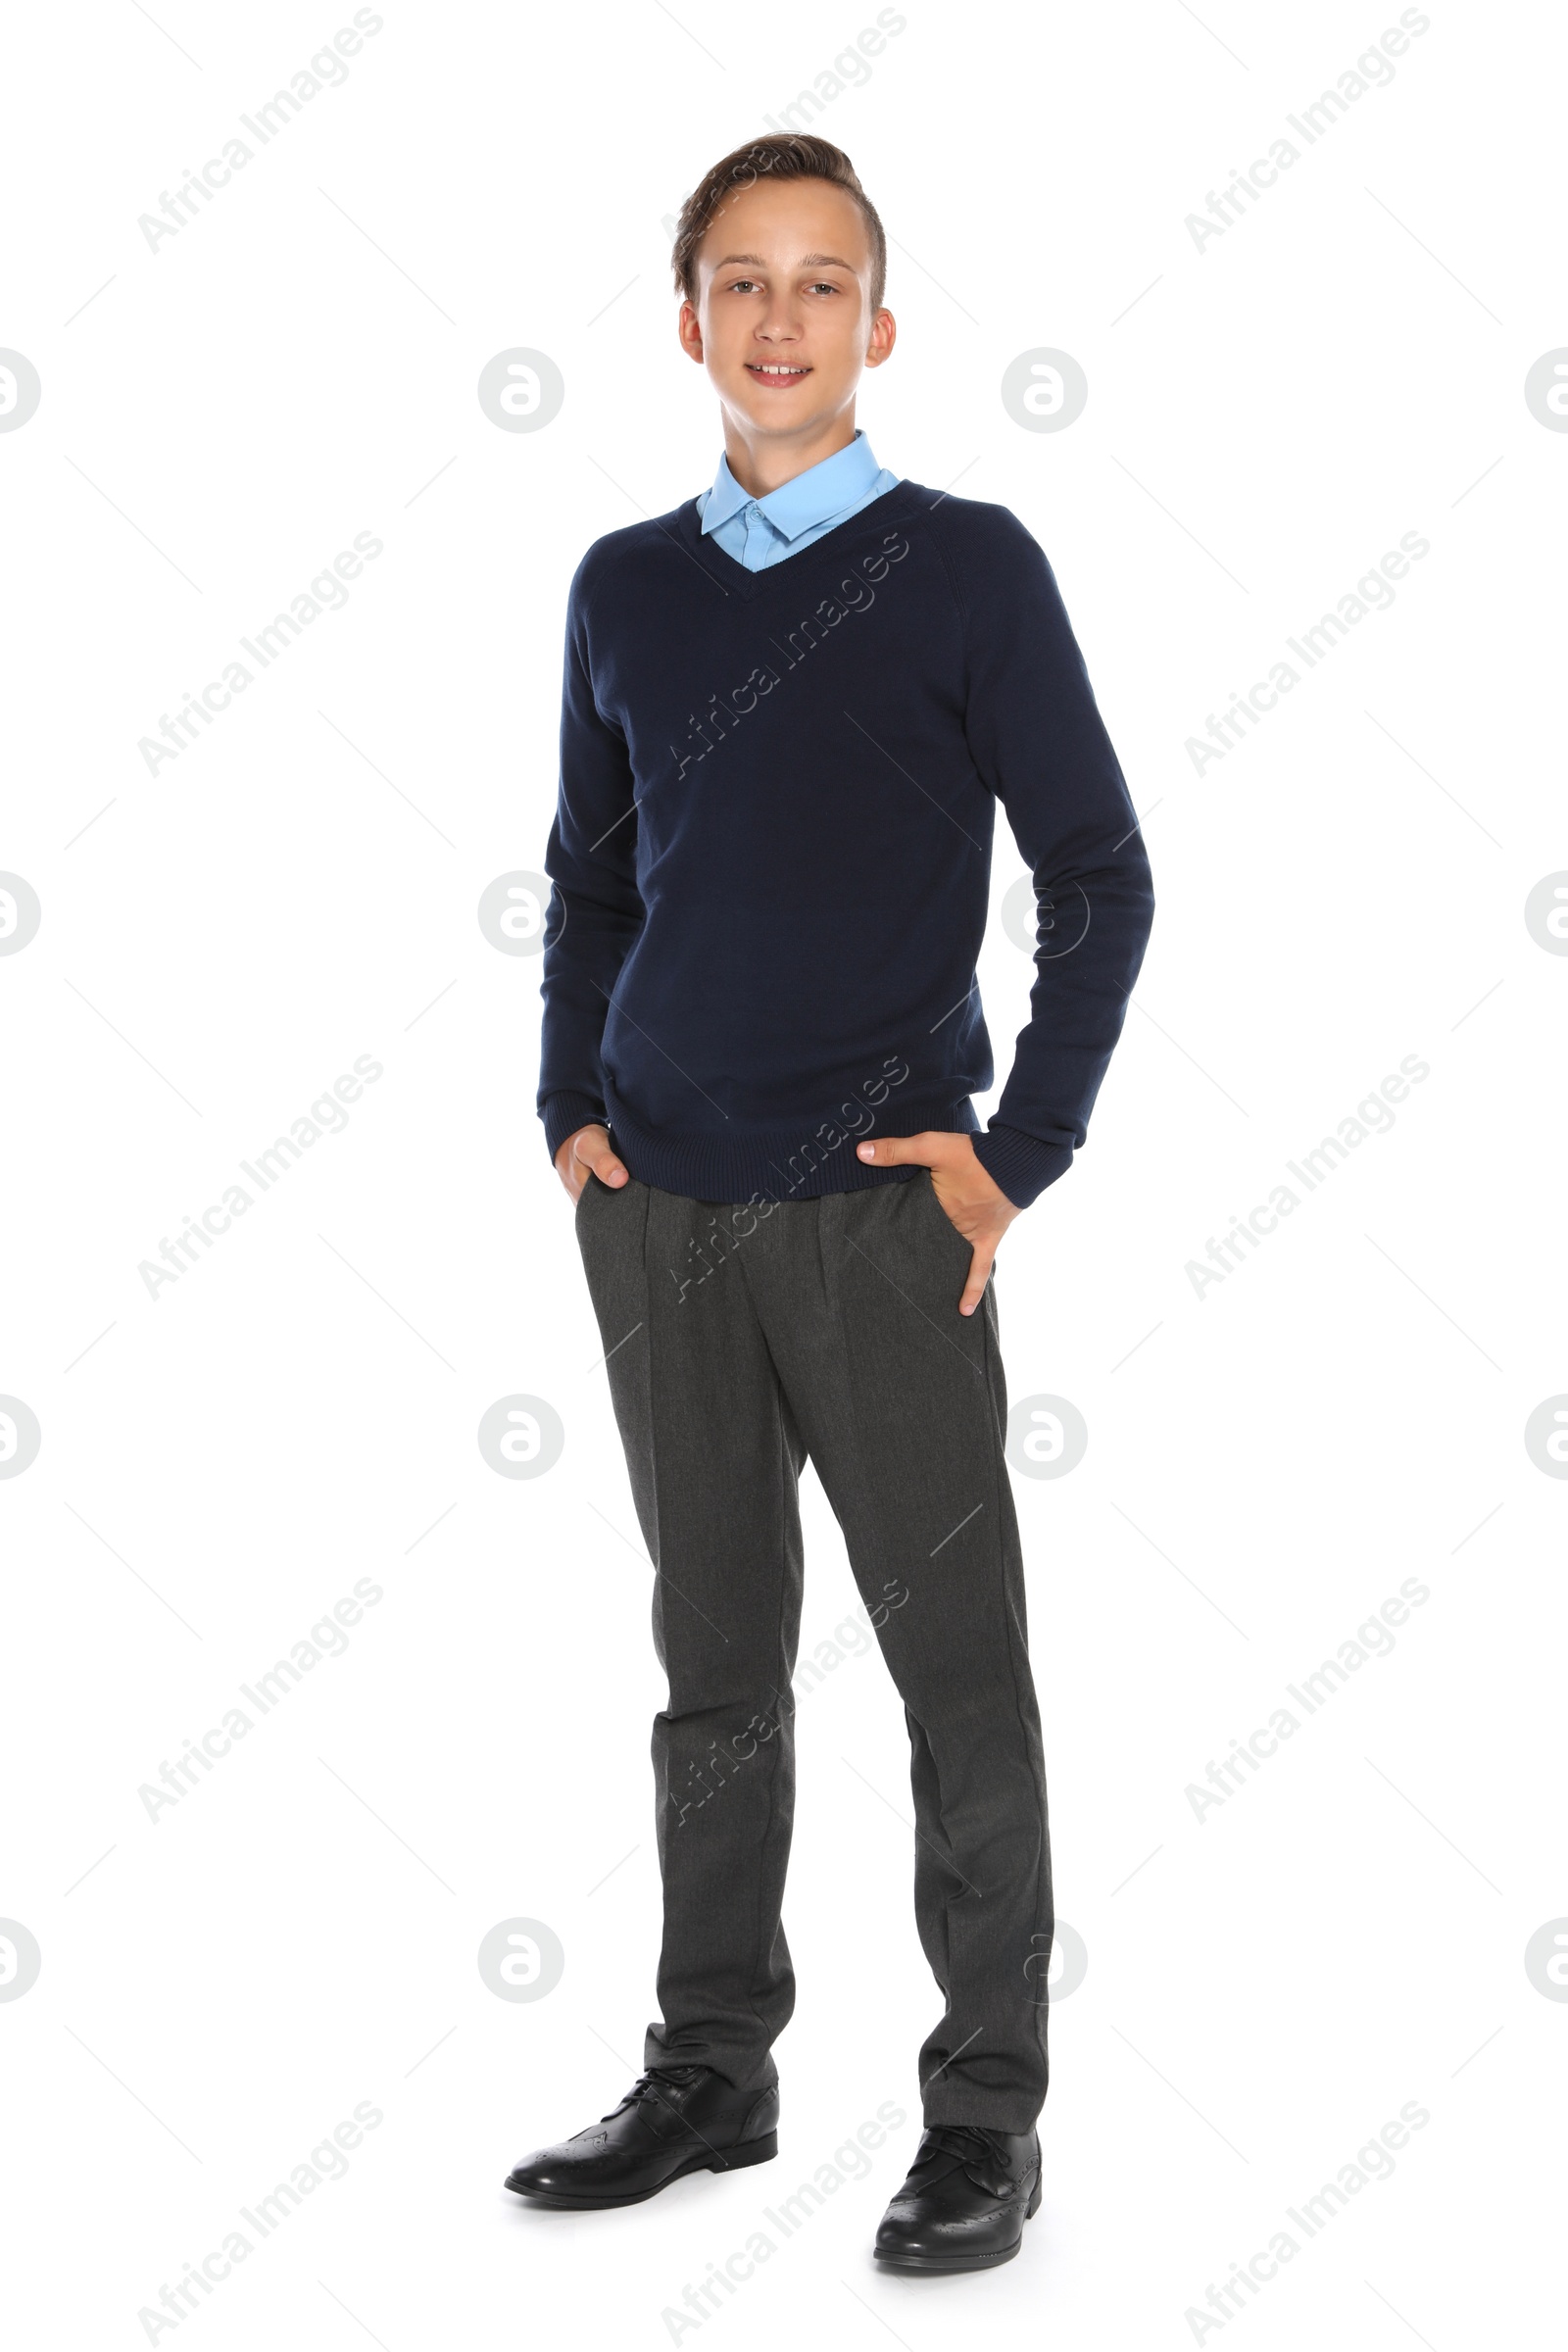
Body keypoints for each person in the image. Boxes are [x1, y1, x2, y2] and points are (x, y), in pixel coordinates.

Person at [505, 132, 1155, 2274]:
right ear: (683, 317)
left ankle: (982, 2110)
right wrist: (568, 1105)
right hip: (659, 1210)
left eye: (819, 285)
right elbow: (598, 874)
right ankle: (713, 2064)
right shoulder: (625, 583)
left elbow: (1096, 876)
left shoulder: (964, 569)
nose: (776, 319)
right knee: (714, 1663)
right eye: (736, 282)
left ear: (876, 326)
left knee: (951, 1664)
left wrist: (1018, 1150)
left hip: (883, 1216)